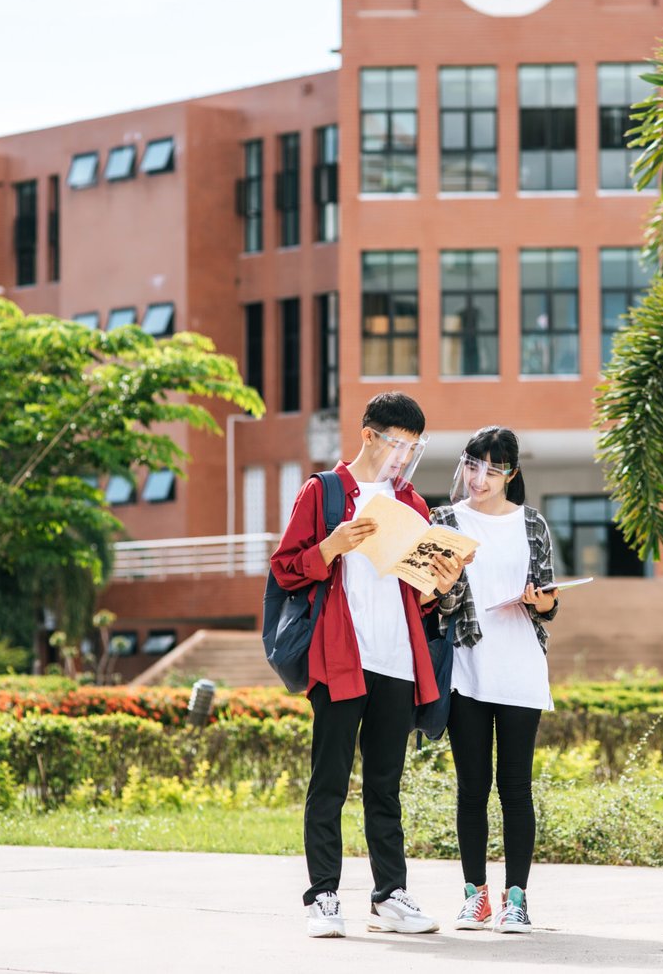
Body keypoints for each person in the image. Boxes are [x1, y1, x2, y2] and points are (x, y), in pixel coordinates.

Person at [270, 391, 466, 939]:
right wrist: (330, 546)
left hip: (397, 658)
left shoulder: (413, 505)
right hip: (340, 656)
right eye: (397, 445)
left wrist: (441, 583)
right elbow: (285, 569)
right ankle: (323, 896)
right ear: (369, 436)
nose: (403, 457)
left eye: (413, 448)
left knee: (385, 784)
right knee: (329, 781)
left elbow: (417, 599)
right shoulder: (324, 492)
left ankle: (389, 896)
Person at [429, 425, 559, 934]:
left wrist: (541, 602)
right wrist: (445, 586)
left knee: (516, 788)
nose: (479, 478)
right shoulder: (444, 521)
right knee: (472, 787)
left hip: (520, 667)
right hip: (467, 668)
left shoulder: (532, 524)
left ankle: (516, 899)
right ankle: (475, 896)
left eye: (492, 469)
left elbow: (548, 601)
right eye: (472, 465)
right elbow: (435, 604)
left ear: (511, 474)